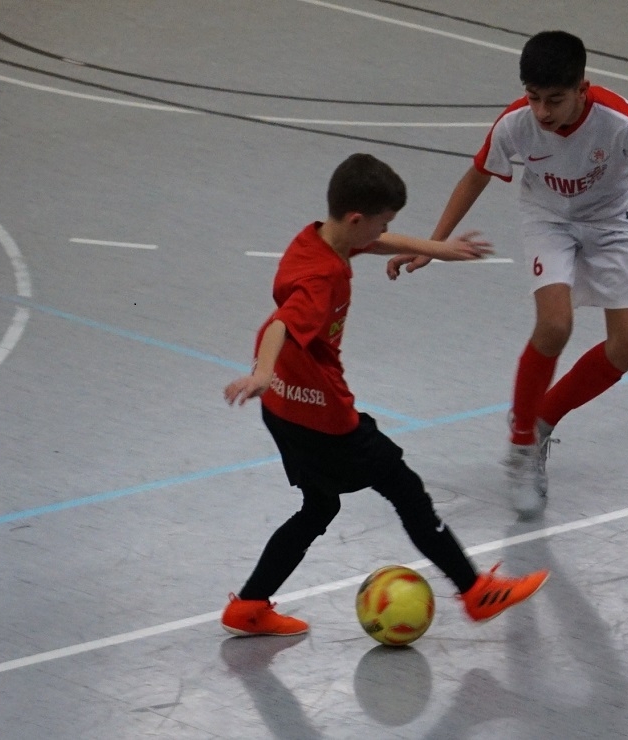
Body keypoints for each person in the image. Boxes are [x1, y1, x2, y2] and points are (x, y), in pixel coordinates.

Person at [221, 153, 548, 636]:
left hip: (282, 409)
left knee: (319, 507)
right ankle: (475, 591)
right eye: (383, 221)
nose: (385, 231)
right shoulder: (322, 277)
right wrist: (264, 371)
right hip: (322, 416)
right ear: (357, 219)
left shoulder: (318, 239)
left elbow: (373, 242)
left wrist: (437, 248)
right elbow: (283, 323)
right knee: (405, 489)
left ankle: (248, 606)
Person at [388, 31, 628, 518]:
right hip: (548, 219)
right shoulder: (515, 123)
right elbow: (476, 175)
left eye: (555, 99)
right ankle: (522, 446)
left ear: (582, 89)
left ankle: (541, 417)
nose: (543, 111)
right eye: (533, 98)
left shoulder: (618, 122)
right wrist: (434, 244)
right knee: (554, 324)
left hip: (612, 221)